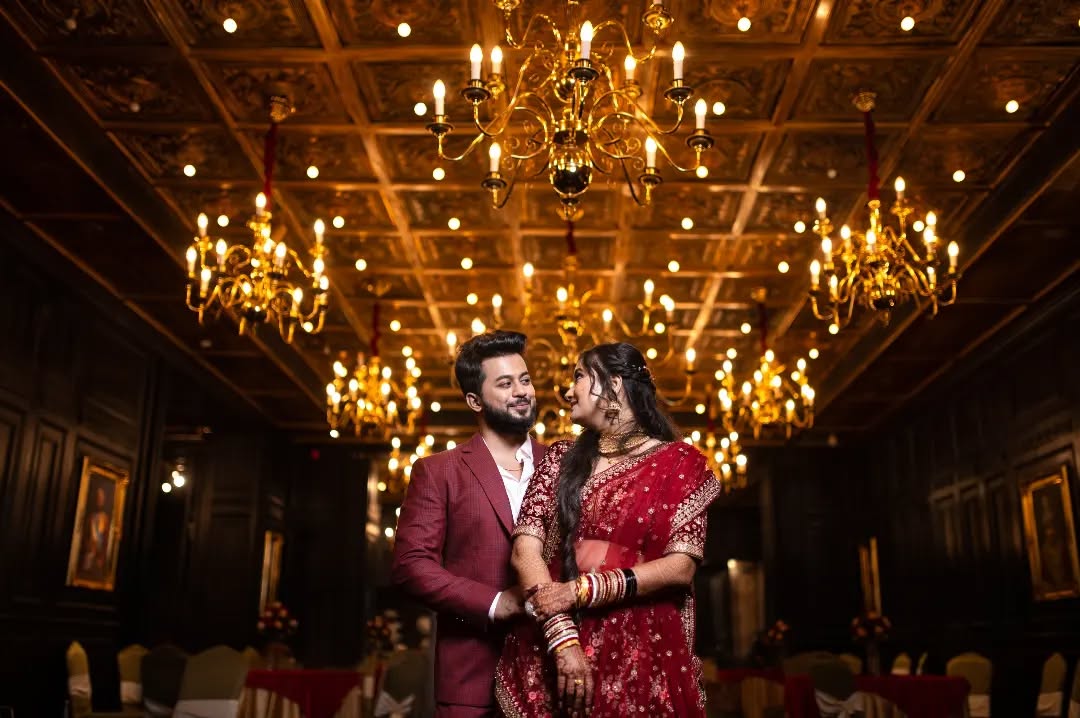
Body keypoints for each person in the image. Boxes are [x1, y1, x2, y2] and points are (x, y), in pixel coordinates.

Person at [495, 342, 721, 718]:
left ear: (614, 385)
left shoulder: (680, 463)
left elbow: (681, 566)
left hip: (643, 651)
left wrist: (580, 590)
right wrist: (562, 638)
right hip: (556, 640)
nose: (568, 391)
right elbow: (525, 549)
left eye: (579, 376)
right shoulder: (559, 459)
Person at [393, 330, 546, 717]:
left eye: (525, 380)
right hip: (473, 678)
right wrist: (496, 603)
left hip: (554, 673)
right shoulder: (438, 471)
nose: (522, 391)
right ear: (474, 400)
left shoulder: (565, 466)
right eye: (506, 383)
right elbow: (411, 564)